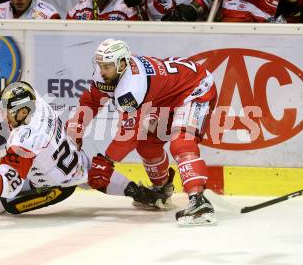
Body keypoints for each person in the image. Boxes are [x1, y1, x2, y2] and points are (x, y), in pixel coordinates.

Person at [0, 81, 165, 215]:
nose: (4, 116)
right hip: (75, 161)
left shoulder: (26, 138)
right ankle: (140, 193)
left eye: (9, 112)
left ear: (23, 112)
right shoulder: (34, 100)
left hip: (54, 186)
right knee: (89, 172)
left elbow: (9, 184)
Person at [67, 39, 217, 225]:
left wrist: (107, 161)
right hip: (167, 96)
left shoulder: (130, 88)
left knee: (182, 142)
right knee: (147, 146)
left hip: (194, 88)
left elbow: (128, 135)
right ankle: (161, 190)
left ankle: (199, 201)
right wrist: (75, 130)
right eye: (100, 65)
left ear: (122, 64)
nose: (102, 71)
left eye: (106, 66)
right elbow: (91, 101)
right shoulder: (107, 73)